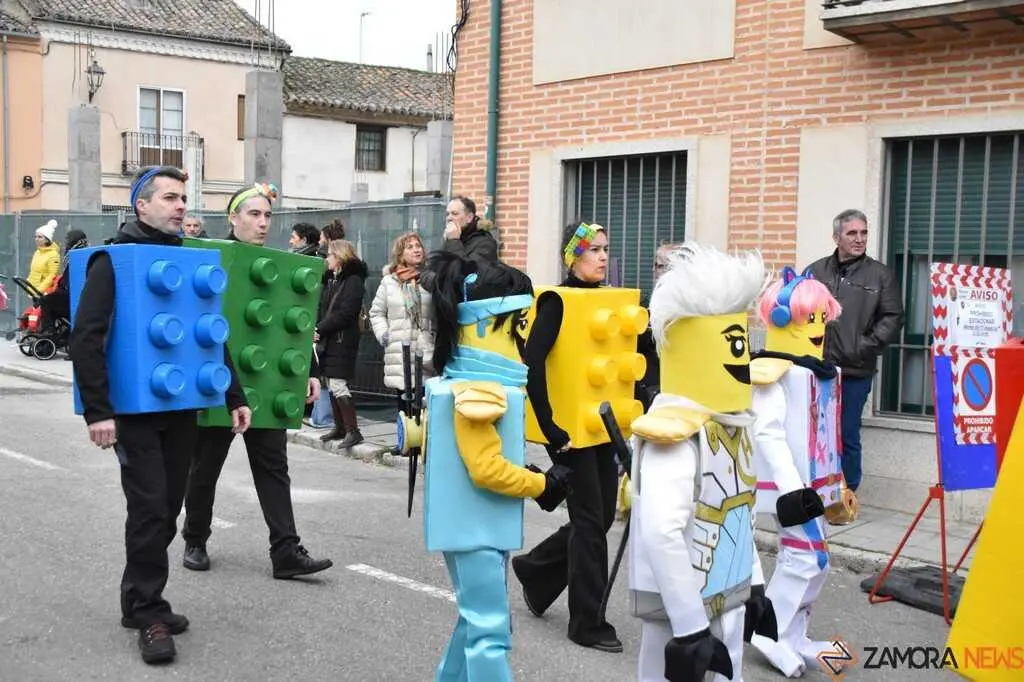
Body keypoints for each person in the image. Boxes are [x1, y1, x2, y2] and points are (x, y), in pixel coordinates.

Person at [69, 166, 251, 664]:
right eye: (169, 198)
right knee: (150, 509)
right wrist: (97, 411)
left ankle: (138, 600)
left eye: (183, 199)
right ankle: (148, 612)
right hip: (135, 415)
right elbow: (86, 339)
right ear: (141, 205)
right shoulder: (116, 261)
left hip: (183, 408)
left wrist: (234, 395)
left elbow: (210, 334)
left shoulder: (187, 261)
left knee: (168, 508)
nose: (180, 206)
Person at [419, 250, 572, 682]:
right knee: (490, 631)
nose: (525, 340)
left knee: (475, 620)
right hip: (475, 531)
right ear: (486, 324)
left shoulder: (472, 384)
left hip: (476, 528)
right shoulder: (478, 392)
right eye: (519, 326)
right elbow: (486, 468)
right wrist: (540, 484)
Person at [627, 242, 776, 682]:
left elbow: (737, 512)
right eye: (733, 344)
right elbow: (661, 533)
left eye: (743, 343)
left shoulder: (731, 426)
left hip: (724, 597)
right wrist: (689, 628)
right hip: (681, 613)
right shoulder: (675, 434)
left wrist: (754, 587)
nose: (742, 358)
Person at [181, 183, 333, 580]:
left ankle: (285, 550)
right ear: (233, 218)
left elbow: (294, 325)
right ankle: (195, 538)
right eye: (254, 214)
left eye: (267, 215)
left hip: (265, 384)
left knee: (273, 466)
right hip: (220, 383)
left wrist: (309, 372)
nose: (263, 222)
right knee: (205, 466)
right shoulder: (209, 260)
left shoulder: (277, 266)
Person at [511, 222, 623, 653]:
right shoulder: (558, 301)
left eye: (604, 249)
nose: (601, 256)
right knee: (592, 524)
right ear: (573, 256)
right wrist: (552, 430)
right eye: (592, 249)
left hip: (602, 430)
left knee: (597, 518)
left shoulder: (608, 300)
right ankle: (587, 623)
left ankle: (536, 571)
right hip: (569, 435)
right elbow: (533, 365)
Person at [749, 267, 851, 676]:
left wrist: (838, 482)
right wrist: (794, 491)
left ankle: (794, 636)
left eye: (822, 318)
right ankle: (768, 633)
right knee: (806, 560)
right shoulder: (773, 372)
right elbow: (767, 433)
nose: (819, 327)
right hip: (789, 489)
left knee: (816, 562)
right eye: (811, 319)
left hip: (816, 486)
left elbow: (827, 430)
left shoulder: (821, 372)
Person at [807, 209, 903, 493]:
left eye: (863, 233)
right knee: (817, 432)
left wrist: (863, 346)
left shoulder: (880, 275)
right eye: (852, 233)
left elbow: (893, 318)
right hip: (818, 368)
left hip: (855, 369)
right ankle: (819, 489)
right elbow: (798, 308)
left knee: (846, 433)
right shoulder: (815, 271)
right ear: (837, 237)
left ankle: (848, 495)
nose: (860, 239)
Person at [368, 231, 436, 418]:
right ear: (400, 254)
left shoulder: (431, 279)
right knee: (404, 407)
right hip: (400, 350)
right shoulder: (389, 282)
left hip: (426, 350)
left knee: (425, 406)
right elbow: (376, 312)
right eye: (410, 247)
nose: (416, 250)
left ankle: (422, 446)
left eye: (418, 246)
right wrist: (384, 334)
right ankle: (405, 445)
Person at [315, 239, 368, 447]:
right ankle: (340, 428)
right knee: (330, 381)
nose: (327, 259)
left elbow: (345, 314)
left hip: (342, 339)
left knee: (338, 384)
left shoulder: (353, 281)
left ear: (339, 257)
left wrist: (320, 328)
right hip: (332, 338)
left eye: (329, 255)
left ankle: (353, 431)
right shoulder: (333, 280)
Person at [38, 229, 88, 335]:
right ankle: (59, 332)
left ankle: (49, 332)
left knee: (45, 301)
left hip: (74, 299)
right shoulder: (78, 254)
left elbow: (70, 282)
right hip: (70, 296)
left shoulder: (78, 256)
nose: (66, 242)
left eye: (68, 239)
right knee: (48, 300)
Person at [442, 195, 498, 263]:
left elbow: (470, 270)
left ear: (469, 218)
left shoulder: (485, 244)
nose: (449, 218)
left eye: (454, 214)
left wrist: (454, 241)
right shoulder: (450, 240)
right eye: (447, 214)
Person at [27, 219, 60, 294]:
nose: (36, 239)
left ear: (47, 240)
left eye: (40, 237)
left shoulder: (53, 254)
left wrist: (40, 290)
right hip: (33, 288)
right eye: (36, 236)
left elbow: (52, 275)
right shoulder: (37, 252)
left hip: (43, 292)